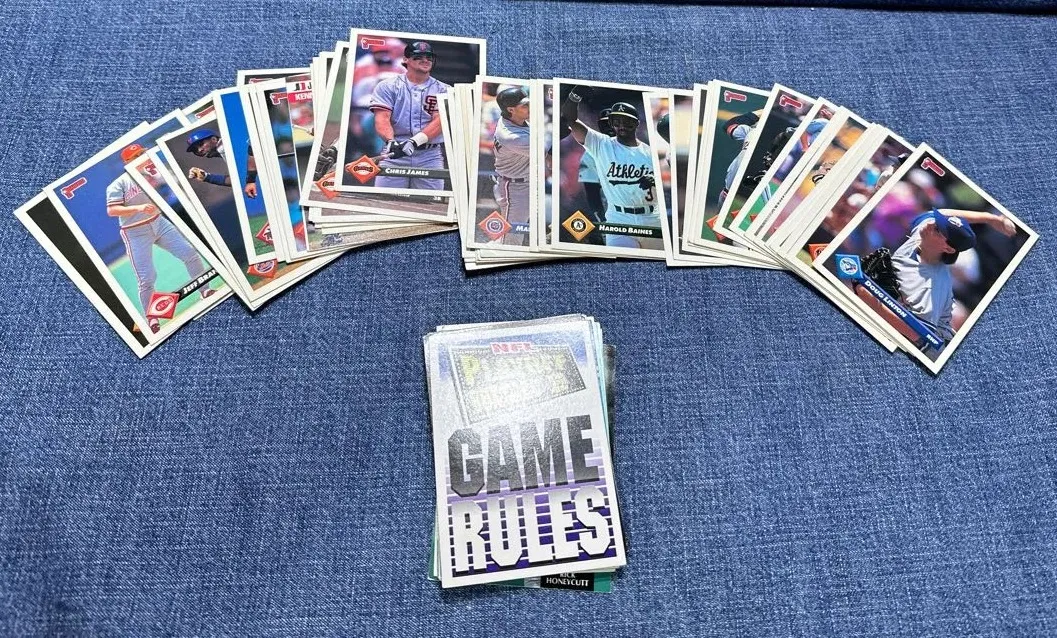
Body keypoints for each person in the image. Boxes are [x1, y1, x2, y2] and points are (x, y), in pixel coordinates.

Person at [107, 144, 215, 333]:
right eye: (136, 156)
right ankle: (151, 319)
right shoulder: (119, 184)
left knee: (189, 253)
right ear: (127, 163)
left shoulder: (154, 171)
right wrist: (138, 208)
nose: (141, 157)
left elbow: (174, 181)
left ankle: (205, 290)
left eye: (142, 153)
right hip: (135, 232)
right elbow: (112, 210)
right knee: (147, 278)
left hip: (159, 222)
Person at [562, 87, 658, 249]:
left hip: (651, 217)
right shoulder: (601, 145)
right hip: (617, 217)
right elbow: (570, 120)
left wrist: (655, 181)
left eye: (626, 120)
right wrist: (574, 96)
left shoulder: (649, 152)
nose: (621, 125)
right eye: (616, 121)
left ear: (636, 123)